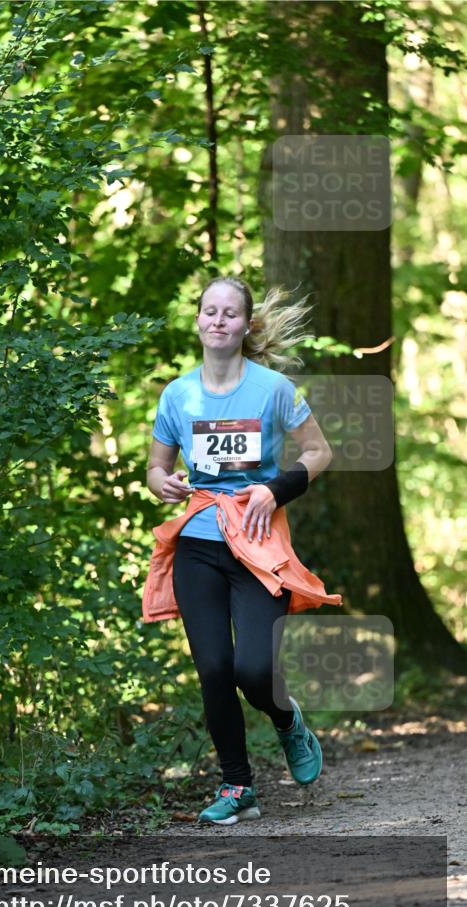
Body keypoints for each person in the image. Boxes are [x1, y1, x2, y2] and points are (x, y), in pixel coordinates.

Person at [145, 275, 337, 826]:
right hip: (199, 543)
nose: (218, 320)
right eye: (210, 311)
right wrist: (163, 483)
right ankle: (237, 786)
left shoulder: (275, 389)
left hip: (257, 544)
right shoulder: (177, 394)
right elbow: (156, 467)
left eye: (230, 313)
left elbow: (319, 452)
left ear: (246, 324)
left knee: (253, 670)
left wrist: (274, 490)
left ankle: (287, 719)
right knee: (213, 669)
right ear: (198, 320)